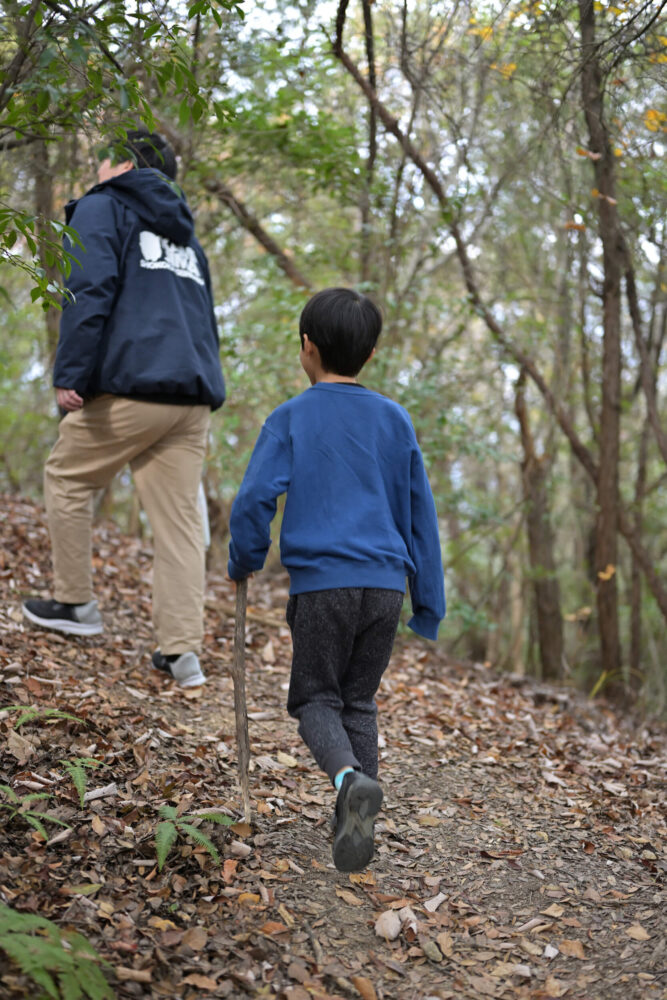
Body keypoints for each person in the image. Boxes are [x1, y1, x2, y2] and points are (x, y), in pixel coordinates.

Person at [227, 287, 445, 871]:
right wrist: (428, 602)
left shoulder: (292, 417)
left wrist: (244, 557)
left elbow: (254, 499)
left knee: (314, 699)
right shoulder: (395, 420)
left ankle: (348, 778)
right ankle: (355, 818)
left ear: (307, 348)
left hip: (323, 584)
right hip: (385, 587)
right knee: (359, 702)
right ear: (369, 354)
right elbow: (419, 515)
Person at [22, 128, 225, 689]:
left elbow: (89, 289)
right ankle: (182, 654)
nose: (95, 167)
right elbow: (204, 321)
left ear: (120, 164)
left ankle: (74, 603)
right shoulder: (187, 239)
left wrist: (71, 374)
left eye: (102, 158)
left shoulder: (101, 207)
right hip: (191, 399)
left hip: (135, 390)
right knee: (181, 527)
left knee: (65, 475)